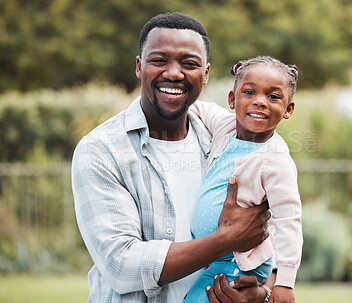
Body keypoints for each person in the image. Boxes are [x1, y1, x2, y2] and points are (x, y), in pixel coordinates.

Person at [71, 12, 272, 303]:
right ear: (139, 67)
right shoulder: (101, 150)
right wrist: (225, 240)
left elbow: (263, 235)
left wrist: (261, 294)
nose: (174, 73)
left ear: (205, 74)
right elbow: (121, 264)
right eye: (159, 60)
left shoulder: (226, 143)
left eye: (189, 64)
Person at [183, 56, 303, 303]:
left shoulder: (275, 160)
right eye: (249, 92)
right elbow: (198, 107)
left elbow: (289, 221)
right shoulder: (226, 128)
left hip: (239, 261)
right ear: (232, 99)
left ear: (288, 109)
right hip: (215, 254)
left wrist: (285, 283)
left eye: (273, 97)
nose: (259, 101)